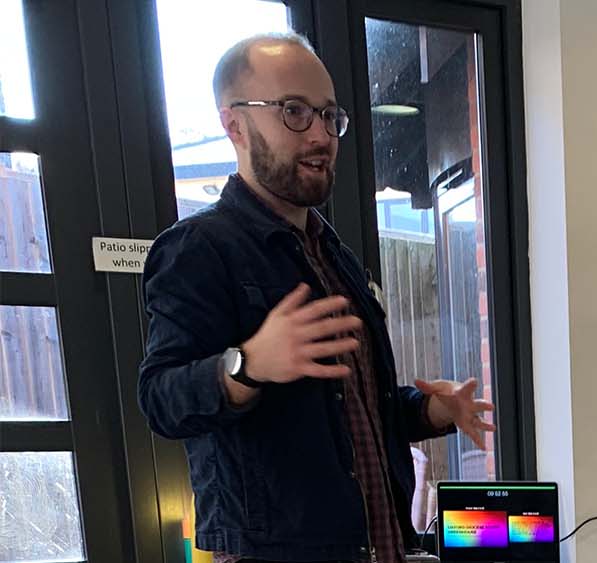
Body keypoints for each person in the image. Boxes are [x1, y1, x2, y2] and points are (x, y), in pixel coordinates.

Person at [138, 32, 495, 563]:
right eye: (294, 111)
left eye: (330, 116)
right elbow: (160, 400)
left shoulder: (335, 257)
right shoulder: (198, 250)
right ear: (234, 124)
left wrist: (431, 410)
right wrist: (249, 364)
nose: (321, 135)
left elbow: (356, 413)